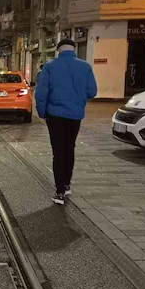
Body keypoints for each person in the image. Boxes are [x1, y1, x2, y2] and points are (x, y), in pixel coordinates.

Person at [35, 39, 97, 205]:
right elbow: (92, 91)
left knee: (58, 151)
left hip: (54, 115)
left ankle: (59, 192)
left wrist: (42, 112)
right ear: (74, 49)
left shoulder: (50, 66)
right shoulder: (85, 67)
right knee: (70, 148)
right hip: (75, 115)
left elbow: (41, 92)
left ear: (58, 50)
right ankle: (67, 184)